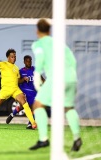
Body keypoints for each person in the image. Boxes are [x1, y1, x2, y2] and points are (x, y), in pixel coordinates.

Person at [29, 19, 82, 151]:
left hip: (57, 78)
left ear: (37, 31)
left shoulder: (38, 44)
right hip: (71, 77)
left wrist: (36, 77)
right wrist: (70, 75)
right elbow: (73, 61)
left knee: (37, 105)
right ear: (49, 30)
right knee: (68, 107)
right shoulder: (59, 43)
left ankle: (43, 139)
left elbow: (40, 59)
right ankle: (77, 138)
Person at [6, 55, 44, 129]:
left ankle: (13, 115)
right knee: (30, 106)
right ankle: (30, 123)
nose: (29, 63)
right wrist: (23, 79)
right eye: (27, 61)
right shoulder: (21, 71)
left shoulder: (35, 69)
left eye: (30, 61)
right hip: (25, 91)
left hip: (33, 91)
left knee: (24, 107)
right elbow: (17, 81)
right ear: (24, 62)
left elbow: (41, 78)